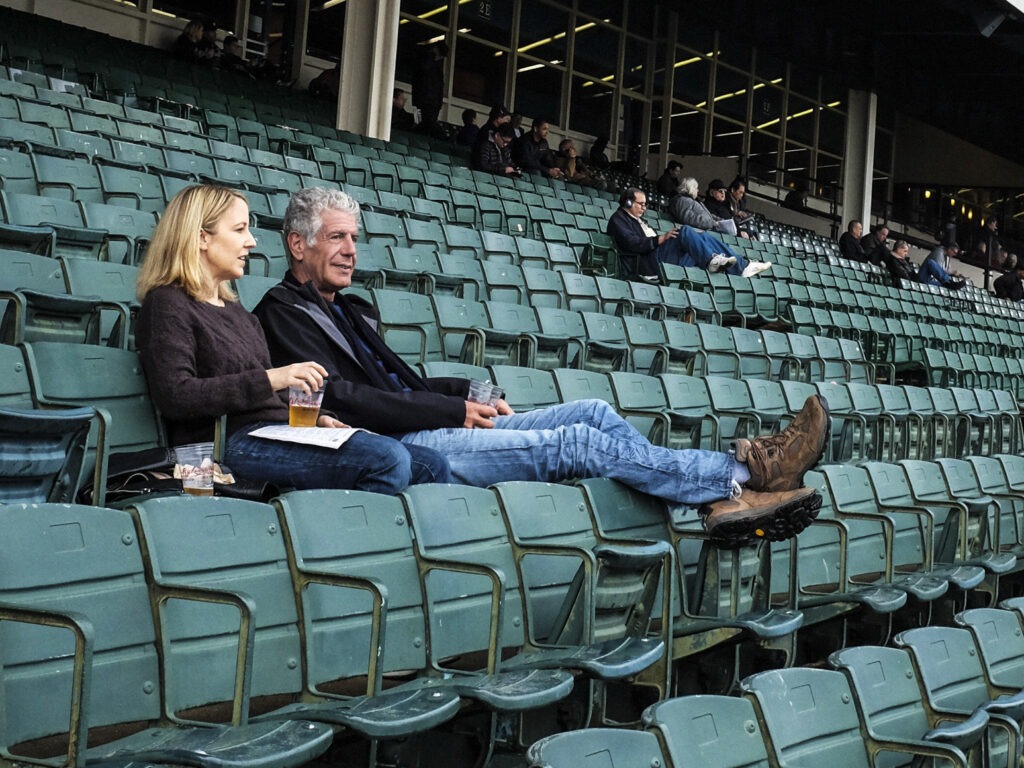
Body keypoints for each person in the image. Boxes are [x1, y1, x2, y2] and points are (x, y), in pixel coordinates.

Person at [253, 187, 829, 548]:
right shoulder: (284, 314)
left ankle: (720, 495)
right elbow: (351, 401)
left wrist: (474, 388)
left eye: (354, 237)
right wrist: (456, 407)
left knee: (594, 410)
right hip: (405, 443)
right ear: (298, 245)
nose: (352, 249)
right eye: (337, 238)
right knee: (576, 441)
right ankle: (744, 477)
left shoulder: (349, 308)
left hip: (430, 420)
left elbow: (401, 383)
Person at [134, 184, 451, 496]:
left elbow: (265, 400)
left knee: (431, 464)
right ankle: (337, 541)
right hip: (222, 443)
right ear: (202, 237)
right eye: (240, 230)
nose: (251, 242)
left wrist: (322, 419)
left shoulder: (236, 312)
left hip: (273, 430)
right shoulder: (167, 303)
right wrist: (271, 378)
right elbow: (176, 395)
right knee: (387, 459)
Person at [607, 187, 772, 280]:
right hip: (646, 263)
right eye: (641, 204)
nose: (644, 208)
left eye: (646, 204)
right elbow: (632, 243)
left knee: (703, 236)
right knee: (684, 230)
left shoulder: (639, 220)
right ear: (628, 202)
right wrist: (661, 238)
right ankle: (714, 261)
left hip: (657, 257)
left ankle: (741, 266)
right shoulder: (619, 220)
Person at [669, 176, 737, 236]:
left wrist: (721, 222)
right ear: (690, 188)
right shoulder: (683, 200)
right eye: (696, 188)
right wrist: (711, 223)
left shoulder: (693, 201)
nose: (698, 190)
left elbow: (709, 215)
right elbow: (689, 218)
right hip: (694, 234)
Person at [411, 41, 447, 138]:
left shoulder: (435, 66)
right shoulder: (427, 61)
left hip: (430, 101)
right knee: (428, 123)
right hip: (427, 100)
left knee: (426, 124)